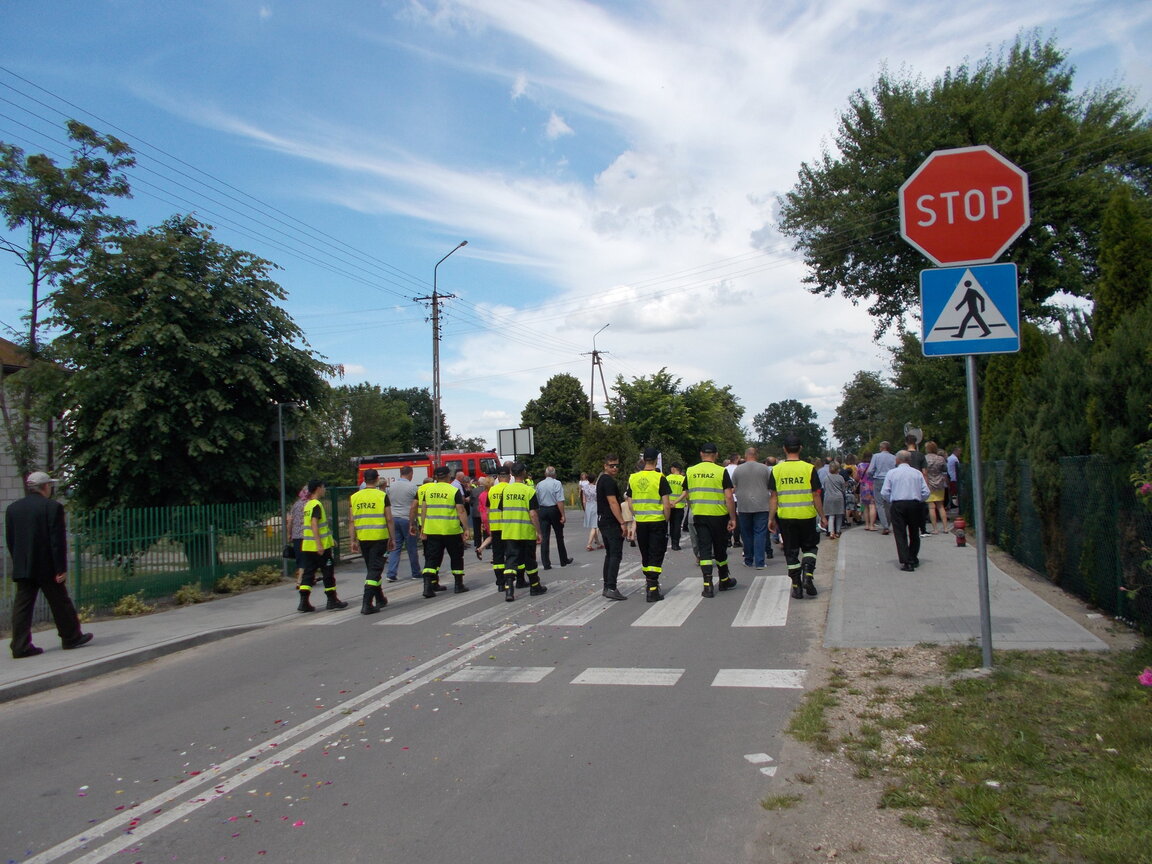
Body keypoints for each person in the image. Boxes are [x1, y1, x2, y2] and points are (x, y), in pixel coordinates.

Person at [6, 471, 92, 658]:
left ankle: (20, 646)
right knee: (60, 602)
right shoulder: (52, 507)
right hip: (47, 566)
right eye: (50, 485)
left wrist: (19, 562)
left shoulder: (13, 508)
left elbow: (11, 540)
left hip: (24, 566)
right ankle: (71, 637)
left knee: (22, 607)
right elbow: (56, 541)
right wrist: (60, 568)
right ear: (45, 487)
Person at [768, 434, 827, 599]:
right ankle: (808, 574)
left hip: (786, 517)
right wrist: (822, 516)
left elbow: (773, 497)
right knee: (810, 547)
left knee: (791, 551)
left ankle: (796, 586)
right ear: (800, 448)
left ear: (784, 449)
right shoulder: (809, 468)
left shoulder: (777, 470)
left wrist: (771, 518)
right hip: (807, 515)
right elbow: (816, 495)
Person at [686, 443, 737, 598]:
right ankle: (724, 579)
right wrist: (732, 518)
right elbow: (729, 497)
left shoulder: (690, 471)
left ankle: (707, 584)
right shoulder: (721, 471)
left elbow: (688, 494)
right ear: (716, 455)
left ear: (701, 454)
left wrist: (694, 508)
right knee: (720, 549)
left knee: (704, 549)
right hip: (718, 515)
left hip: (699, 515)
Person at [418, 465, 472, 598]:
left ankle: (427, 587)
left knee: (432, 558)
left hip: (432, 529)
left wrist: (423, 527)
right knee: (456, 557)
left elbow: (424, 510)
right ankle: (458, 585)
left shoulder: (428, 491)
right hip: (451, 530)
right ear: (448, 476)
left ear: (436, 477)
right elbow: (460, 510)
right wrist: (466, 528)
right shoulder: (453, 490)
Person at [348, 468, 395, 615]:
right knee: (375, 570)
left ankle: (380, 598)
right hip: (379, 537)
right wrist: (392, 538)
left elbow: (351, 521)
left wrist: (352, 540)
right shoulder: (382, 496)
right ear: (377, 479)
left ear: (364, 479)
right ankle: (367, 603)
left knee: (372, 569)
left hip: (363, 538)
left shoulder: (354, 497)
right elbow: (389, 518)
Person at [627, 447, 672, 602]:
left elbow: (630, 502)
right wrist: (666, 519)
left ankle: (649, 582)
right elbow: (666, 504)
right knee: (656, 552)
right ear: (656, 460)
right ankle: (653, 588)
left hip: (641, 521)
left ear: (644, 460)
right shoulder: (660, 478)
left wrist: (637, 515)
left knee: (645, 553)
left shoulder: (633, 478)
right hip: (657, 520)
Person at [498, 462, 547, 601]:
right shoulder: (529, 491)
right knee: (529, 560)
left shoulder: (506, 490)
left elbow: (502, 510)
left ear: (512, 474)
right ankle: (535, 586)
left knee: (511, 560)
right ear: (524, 473)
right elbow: (533, 514)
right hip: (525, 531)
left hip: (509, 531)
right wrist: (539, 532)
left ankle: (509, 589)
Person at [297, 480, 348, 612]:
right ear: (318, 488)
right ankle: (332, 600)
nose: (324, 490)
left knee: (308, 573)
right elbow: (314, 524)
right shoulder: (316, 505)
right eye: (323, 487)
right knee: (328, 572)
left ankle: (303, 602)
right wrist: (319, 544)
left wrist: (331, 539)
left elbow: (320, 527)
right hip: (320, 547)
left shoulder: (307, 505)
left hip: (308, 546)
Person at [880, 450, 931, 571]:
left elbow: (884, 492)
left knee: (900, 533)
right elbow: (926, 492)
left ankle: (906, 561)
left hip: (898, 504)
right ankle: (913, 557)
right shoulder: (917, 473)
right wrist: (919, 499)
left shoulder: (892, 473)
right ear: (909, 460)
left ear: (897, 460)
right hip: (914, 504)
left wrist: (892, 499)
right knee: (914, 532)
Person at [732, 445, 773, 568]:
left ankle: (748, 559)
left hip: (744, 505)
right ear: (756, 455)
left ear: (746, 455)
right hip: (762, 505)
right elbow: (771, 487)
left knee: (746, 534)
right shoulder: (765, 469)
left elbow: (733, 487)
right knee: (760, 533)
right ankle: (760, 562)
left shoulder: (738, 470)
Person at [596, 454, 628, 600]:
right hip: (610, 521)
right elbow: (613, 503)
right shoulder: (608, 481)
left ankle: (607, 586)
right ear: (605, 466)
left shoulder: (601, 479)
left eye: (616, 465)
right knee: (615, 554)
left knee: (609, 554)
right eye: (611, 465)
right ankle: (611, 587)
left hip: (603, 520)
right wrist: (622, 522)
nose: (614, 468)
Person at [384, 466, 422, 583]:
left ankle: (391, 573)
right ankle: (416, 572)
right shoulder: (412, 487)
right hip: (406, 518)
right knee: (411, 547)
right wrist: (412, 522)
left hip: (394, 518)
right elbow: (415, 504)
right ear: (410, 473)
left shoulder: (391, 487)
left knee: (395, 546)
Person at [535, 466, 573, 570]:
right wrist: (563, 515)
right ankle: (563, 559)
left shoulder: (539, 484)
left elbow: (537, 500)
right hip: (554, 509)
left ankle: (546, 563)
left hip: (543, 509)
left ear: (545, 474)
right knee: (559, 536)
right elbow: (559, 500)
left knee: (544, 537)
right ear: (554, 474)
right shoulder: (557, 483)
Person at [486, 464, 512, 590]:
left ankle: (500, 582)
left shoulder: (491, 490)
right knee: (510, 553)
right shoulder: (510, 489)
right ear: (509, 476)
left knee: (497, 555)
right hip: (508, 526)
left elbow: (488, 509)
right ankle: (511, 579)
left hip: (495, 526)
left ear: (498, 477)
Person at [866, 441, 897, 534]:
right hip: (890, 480)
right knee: (889, 503)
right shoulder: (894, 457)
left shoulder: (876, 456)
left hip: (878, 479)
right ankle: (888, 523)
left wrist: (871, 477)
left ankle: (885, 526)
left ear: (882, 448)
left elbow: (870, 470)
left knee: (880, 504)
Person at [923, 441, 950, 533]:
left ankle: (935, 529)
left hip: (929, 484)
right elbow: (945, 470)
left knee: (931, 507)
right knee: (940, 506)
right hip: (939, 484)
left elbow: (924, 471)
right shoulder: (940, 459)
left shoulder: (925, 458)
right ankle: (945, 527)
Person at [285, 485, 309, 584]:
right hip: (308, 535)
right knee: (307, 558)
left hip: (296, 536)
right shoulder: (311, 504)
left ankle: (303, 577)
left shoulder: (296, 505)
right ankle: (301, 579)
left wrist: (289, 534)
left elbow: (290, 521)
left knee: (300, 558)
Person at [665, 463, 687, 551]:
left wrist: (669, 502)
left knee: (670, 524)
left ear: (673, 469)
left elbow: (663, 492)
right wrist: (675, 502)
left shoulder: (667, 478)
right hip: (679, 505)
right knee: (677, 525)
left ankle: (669, 541)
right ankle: (675, 544)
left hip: (668, 505)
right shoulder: (683, 479)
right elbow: (685, 493)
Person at [822, 461, 847, 538]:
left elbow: (824, 488)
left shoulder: (826, 478)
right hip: (838, 498)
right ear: (838, 469)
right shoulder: (840, 478)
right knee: (839, 515)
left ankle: (831, 532)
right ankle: (838, 531)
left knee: (831, 515)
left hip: (828, 498)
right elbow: (843, 489)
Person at [579, 471, 602, 551]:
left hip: (588, 505)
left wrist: (585, 509)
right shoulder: (596, 488)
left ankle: (598, 543)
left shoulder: (584, 488)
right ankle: (589, 544)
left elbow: (584, 500)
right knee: (594, 526)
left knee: (593, 525)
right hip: (595, 505)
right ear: (594, 479)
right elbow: (598, 499)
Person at [857, 452, 876, 531]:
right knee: (872, 505)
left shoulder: (860, 465)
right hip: (872, 486)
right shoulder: (873, 465)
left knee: (864, 506)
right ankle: (872, 525)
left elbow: (857, 477)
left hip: (863, 486)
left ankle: (867, 525)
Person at [947, 446, 962, 513]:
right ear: (955, 451)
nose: (960, 453)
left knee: (952, 492)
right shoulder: (955, 459)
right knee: (955, 492)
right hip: (954, 477)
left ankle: (951, 504)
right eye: (959, 451)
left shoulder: (949, 458)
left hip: (951, 477)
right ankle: (953, 505)